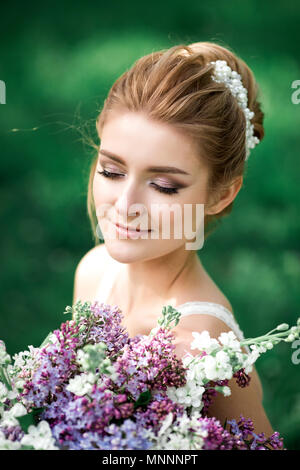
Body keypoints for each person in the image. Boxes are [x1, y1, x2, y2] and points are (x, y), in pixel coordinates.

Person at [73, 41, 274, 437]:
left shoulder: (206, 342)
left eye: (164, 186)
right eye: (112, 171)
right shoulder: (95, 271)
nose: (127, 205)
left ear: (221, 194)